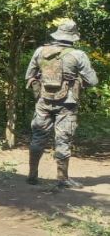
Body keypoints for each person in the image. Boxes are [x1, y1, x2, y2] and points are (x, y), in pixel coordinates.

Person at [25, 19, 98, 188]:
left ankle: (32, 175)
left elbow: (29, 75)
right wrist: (77, 79)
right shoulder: (78, 55)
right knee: (63, 140)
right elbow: (93, 81)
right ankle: (62, 179)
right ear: (73, 36)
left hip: (43, 100)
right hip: (68, 103)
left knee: (38, 137)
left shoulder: (40, 51)